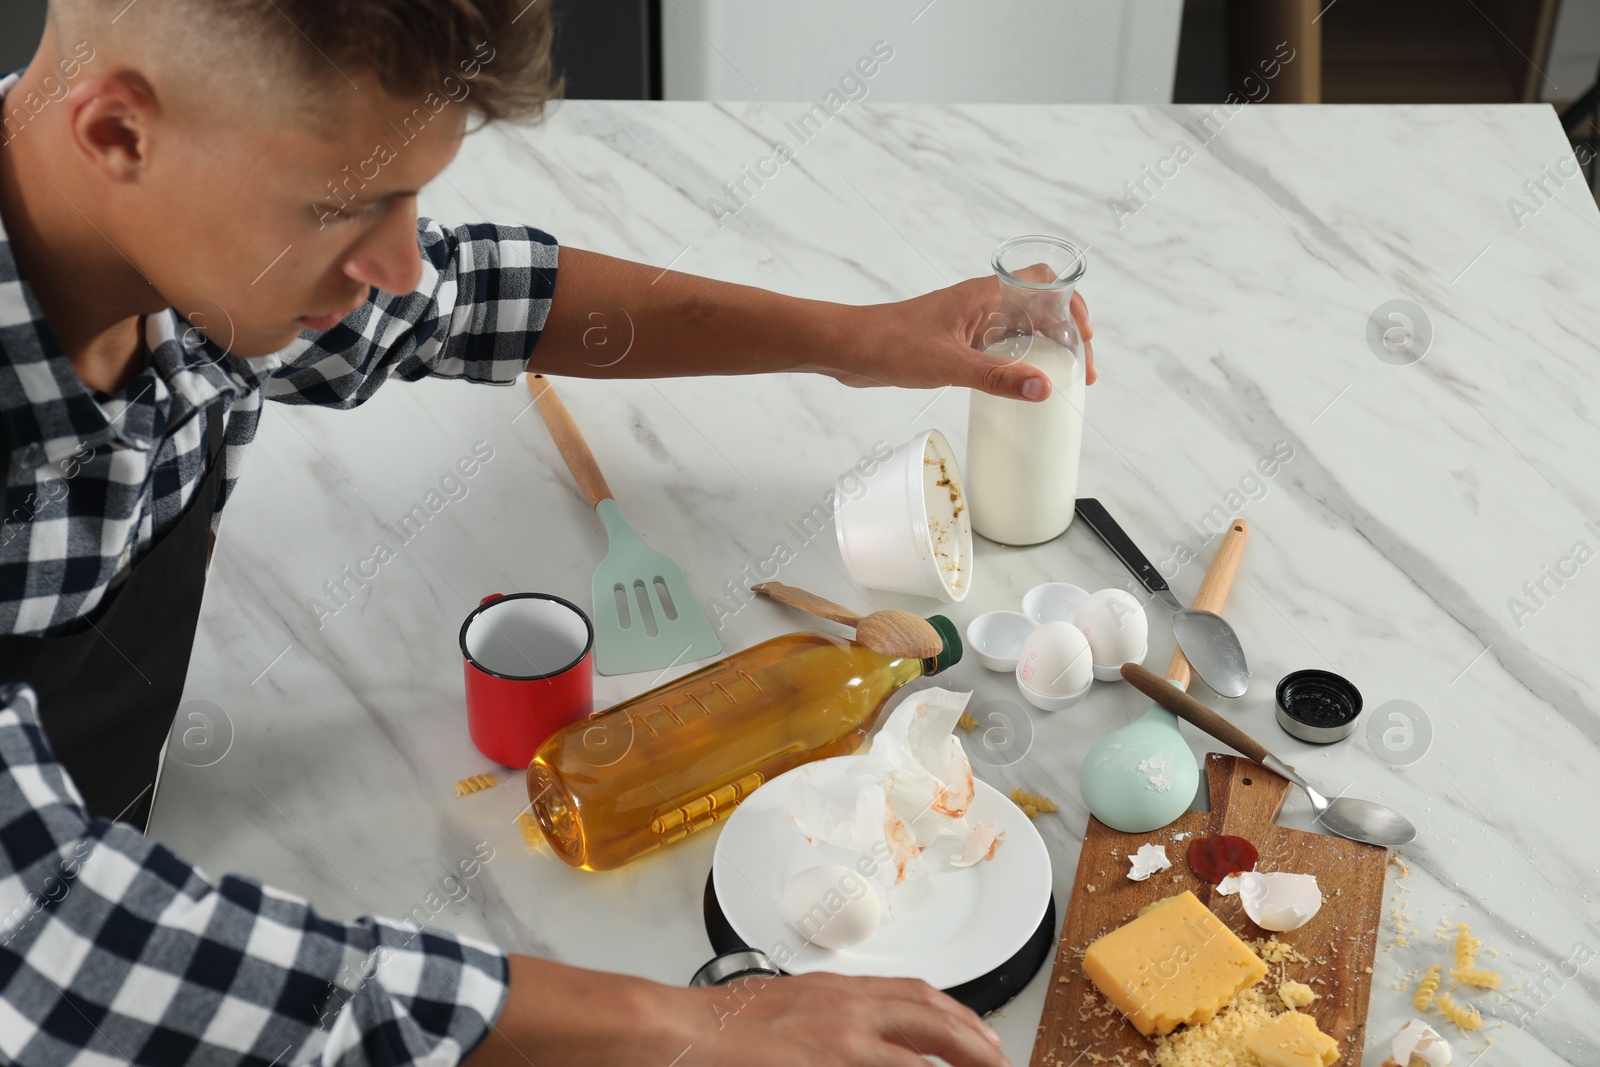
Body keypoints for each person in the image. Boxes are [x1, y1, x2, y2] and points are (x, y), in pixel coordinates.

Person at [0, 1, 1096, 1064]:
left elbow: (470, 296)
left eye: (408, 200)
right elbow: (48, 945)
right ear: (118, 133)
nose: (394, 262)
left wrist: (851, 339)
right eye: (341, 209)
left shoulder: (183, 247)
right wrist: (682, 1027)